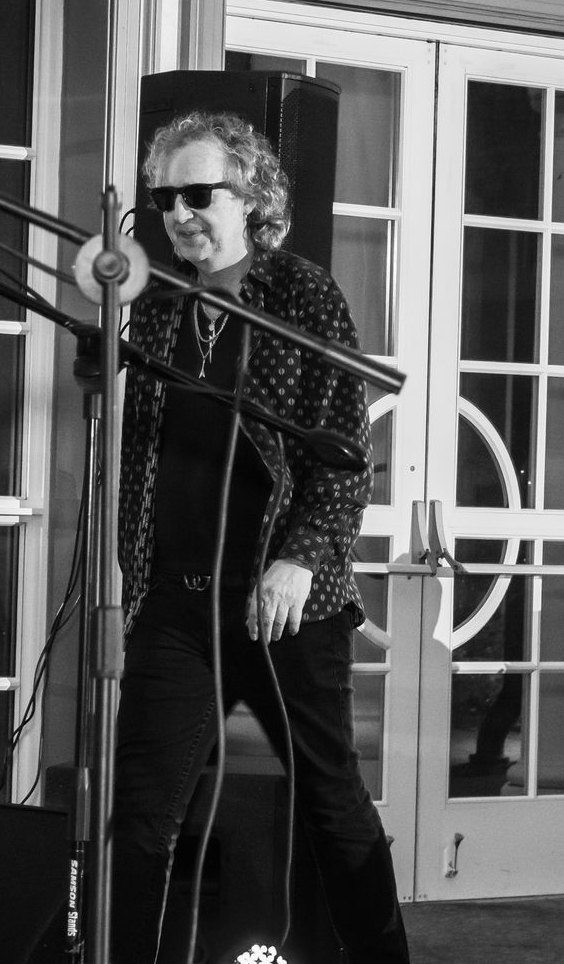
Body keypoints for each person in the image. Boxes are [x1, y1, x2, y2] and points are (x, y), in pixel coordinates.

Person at [110, 111, 411, 964]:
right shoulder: (155, 306)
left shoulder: (301, 295)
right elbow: (137, 462)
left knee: (331, 802)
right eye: (165, 199)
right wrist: (134, 582)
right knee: (140, 818)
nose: (179, 214)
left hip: (286, 607)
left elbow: (343, 453)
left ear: (251, 198)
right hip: (177, 608)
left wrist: (301, 559)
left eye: (199, 194)